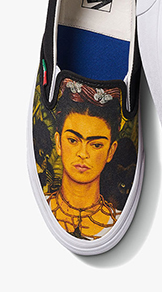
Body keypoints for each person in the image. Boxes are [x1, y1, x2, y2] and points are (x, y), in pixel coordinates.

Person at [47, 79, 122, 240]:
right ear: (58, 142)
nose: (83, 153)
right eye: (73, 140)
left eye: (96, 145)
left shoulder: (117, 216)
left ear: (111, 151)